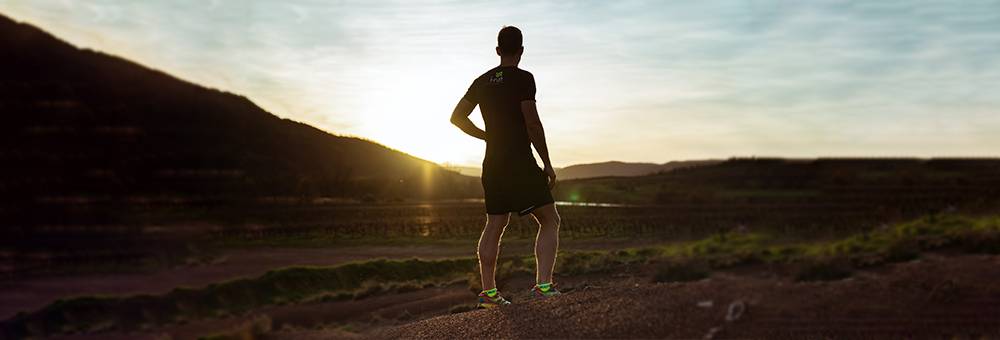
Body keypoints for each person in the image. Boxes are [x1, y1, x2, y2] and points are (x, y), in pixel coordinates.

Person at [450, 26, 562, 309]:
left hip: (493, 161)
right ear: (521, 51)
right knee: (549, 219)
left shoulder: (482, 81)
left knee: (495, 223)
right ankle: (544, 286)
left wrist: (486, 136)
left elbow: (457, 118)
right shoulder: (524, 78)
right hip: (519, 160)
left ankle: (488, 293)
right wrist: (547, 163)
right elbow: (532, 122)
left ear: (498, 50)